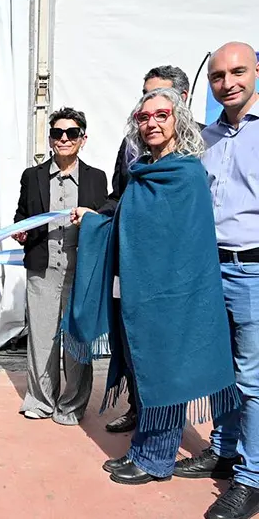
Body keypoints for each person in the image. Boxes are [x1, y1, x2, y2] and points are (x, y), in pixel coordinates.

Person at [68, 88, 240, 485]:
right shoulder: (143, 169)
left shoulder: (185, 172)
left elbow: (182, 241)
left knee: (165, 375)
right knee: (145, 372)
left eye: (161, 115)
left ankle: (156, 460)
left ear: (177, 118)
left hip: (173, 296)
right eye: (144, 117)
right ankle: (143, 450)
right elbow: (131, 224)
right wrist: (96, 221)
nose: (152, 123)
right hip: (139, 294)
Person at [175, 41, 259, 519]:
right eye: (219, 76)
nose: (228, 83)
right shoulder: (205, 139)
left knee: (252, 380)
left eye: (238, 72)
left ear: (256, 72)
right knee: (218, 371)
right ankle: (225, 449)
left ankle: (251, 478)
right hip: (211, 269)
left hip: (252, 269)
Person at [99, 65, 202, 434]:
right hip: (133, 274)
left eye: (161, 107)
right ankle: (140, 416)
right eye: (144, 108)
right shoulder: (136, 155)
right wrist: (97, 219)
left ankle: (159, 445)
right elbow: (120, 198)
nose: (150, 116)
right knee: (134, 351)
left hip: (171, 281)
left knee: (165, 362)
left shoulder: (193, 159)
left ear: (181, 104)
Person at [12, 107, 107, 425]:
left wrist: (91, 216)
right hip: (42, 269)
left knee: (78, 340)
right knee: (41, 338)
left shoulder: (96, 178)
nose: (64, 138)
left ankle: (72, 405)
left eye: (71, 133)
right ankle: (40, 400)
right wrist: (20, 229)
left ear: (83, 138)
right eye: (57, 133)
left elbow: (105, 217)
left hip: (82, 272)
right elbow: (21, 215)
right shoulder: (33, 176)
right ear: (51, 139)